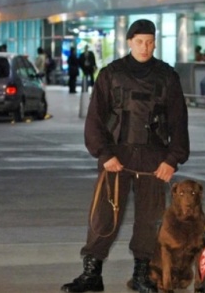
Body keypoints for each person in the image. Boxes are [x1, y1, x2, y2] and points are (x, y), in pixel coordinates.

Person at [61, 19, 190, 293]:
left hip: (154, 160)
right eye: (140, 41)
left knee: (149, 219)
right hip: (116, 157)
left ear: (155, 43)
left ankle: (142, 275)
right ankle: (92, 274)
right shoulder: (111, 74)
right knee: (103, 217)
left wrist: (172, 159)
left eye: (150, 42)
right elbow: (95, 119)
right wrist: (104, 153)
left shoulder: (167, 77)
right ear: (129, 42)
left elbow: (179, 121)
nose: (145, 47)